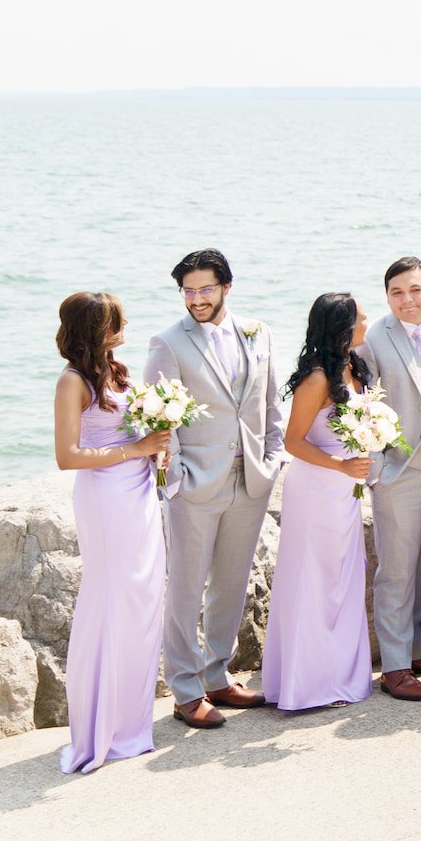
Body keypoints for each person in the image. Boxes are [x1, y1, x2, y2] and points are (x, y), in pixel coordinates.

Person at [146, 247, 284, 723]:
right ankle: (185, 689)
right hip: (195, 487)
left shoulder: (258, 332)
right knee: (185, 589)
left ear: (226, 286)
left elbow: (269, 405)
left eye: (205, 288)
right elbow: (160, 422)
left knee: (231, 584)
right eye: (188, 290)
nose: (196, 299)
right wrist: (176, 480)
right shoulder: (167, 343)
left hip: (251, 480)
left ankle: (218, 676)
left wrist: (272, 458)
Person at [53, 293, 168, 773]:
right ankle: (100, 728)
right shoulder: (71, 382)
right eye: (118, 319)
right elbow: (67, 456)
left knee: (141, 599)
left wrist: (155, 447)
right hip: (105, 498)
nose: (127, 323)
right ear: (95, 328)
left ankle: (130, 725)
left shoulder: (117, 372)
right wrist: (136, 447)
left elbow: (134, 429)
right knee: (111, 600)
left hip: (138, 493)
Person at [262, 295, 376, 713]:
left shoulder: (356, 368)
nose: (370, 320)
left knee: (343, 580)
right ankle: (308, 683)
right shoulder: (316, 379)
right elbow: (293, 441)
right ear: (345, 326)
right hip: (316, 487)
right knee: (314, 580)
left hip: (346, 489)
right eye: (363, 316)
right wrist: (339, 465)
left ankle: (340, 676)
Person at [363, 257, 421, 701]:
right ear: (386, 297)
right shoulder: (374, 339)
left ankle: (420, 647)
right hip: (401, 474)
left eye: (415, 290)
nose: (407, 300)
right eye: (397, 293)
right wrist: (378, 470)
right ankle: (396, 666)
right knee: (396, 571)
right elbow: (362, 407)